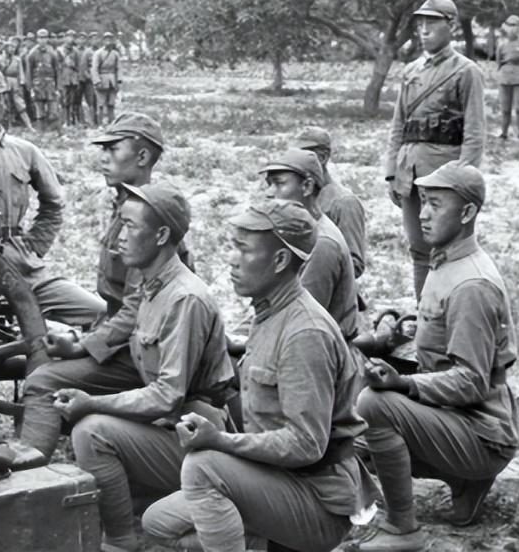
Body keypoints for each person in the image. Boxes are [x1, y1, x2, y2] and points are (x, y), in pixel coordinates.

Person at [141, 198, 370, 552]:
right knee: (158, 522)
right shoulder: (269, 313)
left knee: (203, 467)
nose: (232, 258)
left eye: (243, 249)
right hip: (279, 480)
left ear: (280, 261)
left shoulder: (304, 332)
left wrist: (221, 441)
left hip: (318, 500)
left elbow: (306, 443)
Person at [34, 182, 236, 552]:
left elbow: (167, 397)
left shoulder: (183, 299)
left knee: (91, 430)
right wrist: (80, 347)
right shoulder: (153, 285)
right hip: (176, 426)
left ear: (161, 235)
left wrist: (92, 402)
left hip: (199, 439)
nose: (118, 238)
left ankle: (120, 543)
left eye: (129, 227)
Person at [353, 161, 518, 552]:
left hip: (482, 433)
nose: (422, 214)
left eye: (435, 205)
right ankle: (465, 481)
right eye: (422, 202)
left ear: (467, 213)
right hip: (462, 420)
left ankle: (403, 528)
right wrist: (401, 330)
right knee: (359, 436)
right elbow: (440, 337)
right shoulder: (446, 261)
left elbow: (472, 381)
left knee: (375, 407)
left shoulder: (471, 285)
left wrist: (403, 383)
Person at [0, 66, 106, 328]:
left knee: (98, 312)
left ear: (3, 104)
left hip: (19, 265)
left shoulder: (25, 152)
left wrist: (34, 246)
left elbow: (54, 204)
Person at [386, 0, 485, 300]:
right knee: (419, 248)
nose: (424, 30)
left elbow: (474, 132)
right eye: (421, 23)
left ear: (451, 26)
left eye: (432, 22)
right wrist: (391, 172)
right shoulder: (411, 71)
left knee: (447, 248)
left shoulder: (466, 71)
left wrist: (462, 182)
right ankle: (424, 313)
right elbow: (398, 125)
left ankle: (450, 311)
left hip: (445, 176)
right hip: (410, 173)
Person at [89, 111, 190, 317]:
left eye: (113, 149)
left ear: (142, 157)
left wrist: (84, 346)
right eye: (103, 150)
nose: (103, 159)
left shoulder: (148, 218)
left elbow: (138, 310)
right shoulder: (125, 207)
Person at [261, 148, 359, 341]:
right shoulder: (295, 233)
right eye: (269, 184)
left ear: (306, 186)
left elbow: (300, 319)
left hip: (320, 351)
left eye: (279, 184)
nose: (269, 193)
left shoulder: (322, 244)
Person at [295, 126, 368, 280]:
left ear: (322, 158)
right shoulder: (298, 197)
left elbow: (354, 264)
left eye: (302, 155)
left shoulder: (344, 203)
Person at [495, 14, 519, 140]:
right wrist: (500, 74)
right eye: (510, 25)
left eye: (515, 26)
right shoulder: (501, 43)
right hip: (505, 77)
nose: (512, 29)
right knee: (505, 109)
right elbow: (498, 61)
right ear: (506, 27)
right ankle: (504, 133)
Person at [0, 36, 35, 131]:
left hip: (15, 83)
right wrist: (0, 84)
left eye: (13, 47)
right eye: (10, 47)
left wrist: (22, 82)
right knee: (5, 106)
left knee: (20, 104)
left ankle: (29, 125)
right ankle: (7, 126)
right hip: (4, 83)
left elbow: (21, 72)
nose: (12, 49)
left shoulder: (17, 60)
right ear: (6, 48)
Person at [26, 28, 60, 130]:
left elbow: (57, 70)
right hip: (38, 84)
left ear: (47, 39)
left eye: (45, 38)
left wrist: (58, 87)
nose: (42, 40)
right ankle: (40, 131)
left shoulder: (52, 53)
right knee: (39, 110)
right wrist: (30, 87)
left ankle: (54, 131)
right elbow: (29, 72)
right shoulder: (32, 53)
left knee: (53, 109)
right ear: (37, 39)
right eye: (40, 38)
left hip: (50, 84)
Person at [92, 32, 121, 125]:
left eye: (110, 39)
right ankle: (100, 124)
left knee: (111, 103)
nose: (108, 41)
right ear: (103, 41)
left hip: (112, 81)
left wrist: (119, 81)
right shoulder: (98, 53)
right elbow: (94, 68)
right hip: (101, 80)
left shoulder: (115, 54)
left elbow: (118, 68)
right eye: (106, 39)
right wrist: (97, 81)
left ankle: (111, 123)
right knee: (100, 104)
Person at [59, 30, 80, 126]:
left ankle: (72, 120)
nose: (70, 39)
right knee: (64, 101)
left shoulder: (76, 51)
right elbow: (57, 66)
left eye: (72, 37)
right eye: (68, 37)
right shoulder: (60, 51)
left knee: (73, 100)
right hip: (64, 78)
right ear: (65, 38)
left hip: (73, 79)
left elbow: (79, 66)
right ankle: (65, 120)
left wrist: (73, 65)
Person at [80, 32, 99, 126]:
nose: (95, 41)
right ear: (90, 40)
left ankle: (98, 121)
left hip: (100, 81)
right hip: (90, 82)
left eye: (96, 39)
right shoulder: (87, 52)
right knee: (91, 102)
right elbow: (84, 69)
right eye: (93, 39)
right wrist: (90, 79)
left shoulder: (100, 51)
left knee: (100, 102)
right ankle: (92, 122)